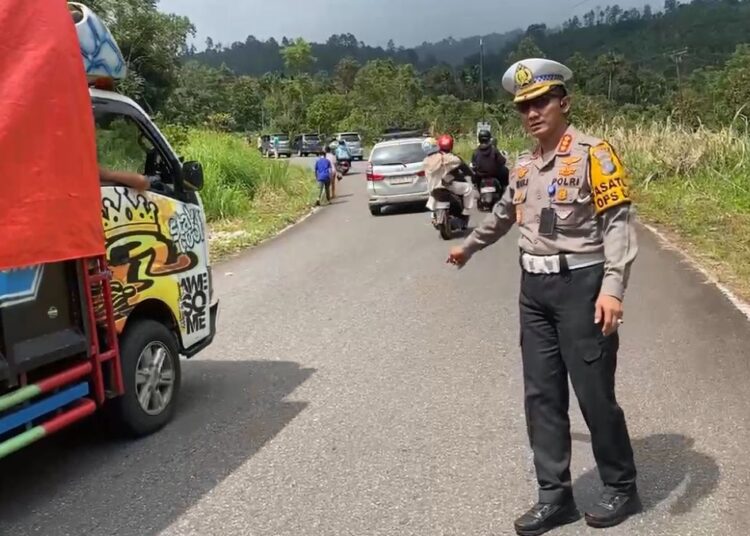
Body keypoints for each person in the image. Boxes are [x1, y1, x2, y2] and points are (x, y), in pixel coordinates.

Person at [447, 58, 640, 536]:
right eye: (524, 107)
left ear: (563, 103)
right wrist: (469, 247)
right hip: (533, 289)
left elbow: (617, 222)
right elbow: (503, 216)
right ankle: (555, 497)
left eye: (541, 102)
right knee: (541, 396)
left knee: (594, 395)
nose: (532, 113)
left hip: (582, 286)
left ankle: (622, 484)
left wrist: (613, 287)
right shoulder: (526, 164)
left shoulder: (596, 154)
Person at [423, 134, 476, 227]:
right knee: (468, 188)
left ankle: (433, 216)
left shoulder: (425, 161)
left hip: (433, 189)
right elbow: (461, 164)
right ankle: (466, 211)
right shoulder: (446, 158)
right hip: (446, 186)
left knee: (432, 196)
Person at [471, 129, 509, 195]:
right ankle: (505, 190)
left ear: (479, 139)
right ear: (489, 138)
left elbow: (473, 164)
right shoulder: (494, 150)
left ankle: (477, 191)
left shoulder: (476, 152)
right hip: (494, 175)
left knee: (474, 180)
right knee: (505, 170)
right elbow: (502, 161)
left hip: (480, 177)